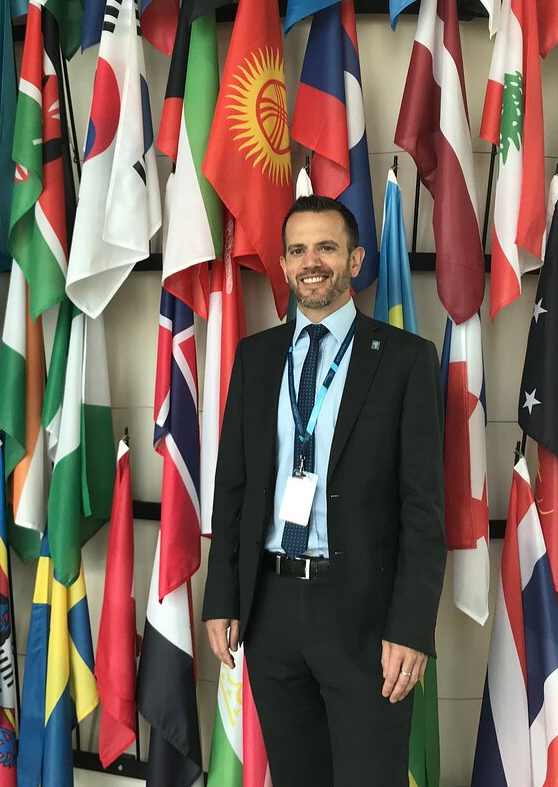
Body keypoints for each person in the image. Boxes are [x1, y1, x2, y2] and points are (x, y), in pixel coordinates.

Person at [203, 194, 447, 787]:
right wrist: (221, 598)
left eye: (327, 247)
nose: (312, 261)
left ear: (356, 260)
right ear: (284, 267)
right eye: (298, 250)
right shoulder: (255, 358)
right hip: (271, 612)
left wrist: (411, 628)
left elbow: (423, 509)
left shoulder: (406, 361)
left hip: (365, 616)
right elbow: (232, 487)